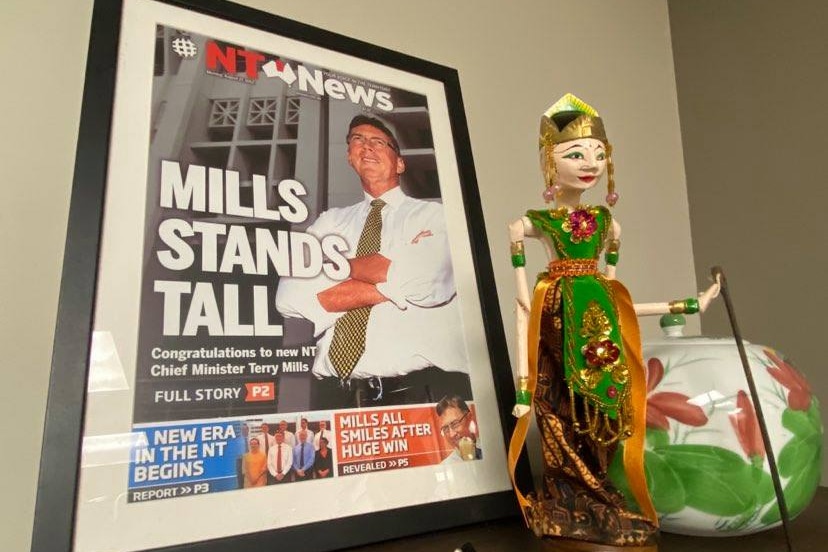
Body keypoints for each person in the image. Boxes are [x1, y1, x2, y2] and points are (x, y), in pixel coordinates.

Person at [507, 93, 719, 551]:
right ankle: (572, 504)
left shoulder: (608, 225)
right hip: (554, 344)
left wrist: (687, 306)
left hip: (601, 354)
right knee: (561, 419)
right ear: (549, 161)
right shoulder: (534, 225)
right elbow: (524, 305)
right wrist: (524, 387)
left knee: (603, 424)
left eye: (599, 155)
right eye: (576, 154)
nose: (591, 164)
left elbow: (615, 302)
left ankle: (599, 500)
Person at [276, 115, 471, 409]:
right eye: (357, 139)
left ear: (400, 163)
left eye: (378, 142)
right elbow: (288, 296)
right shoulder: (330, 221)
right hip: (337, 396)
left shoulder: (436, 215)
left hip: (425, 393)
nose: (366, 146)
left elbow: (427, 280)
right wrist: (389, 280)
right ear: (350, 157)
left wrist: (338, 267)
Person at [436, 395, 481, 463]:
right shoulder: (446, 466)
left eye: (455, 424)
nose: (452, 435)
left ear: (469, 418)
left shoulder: (493, 446)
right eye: (445, 429)